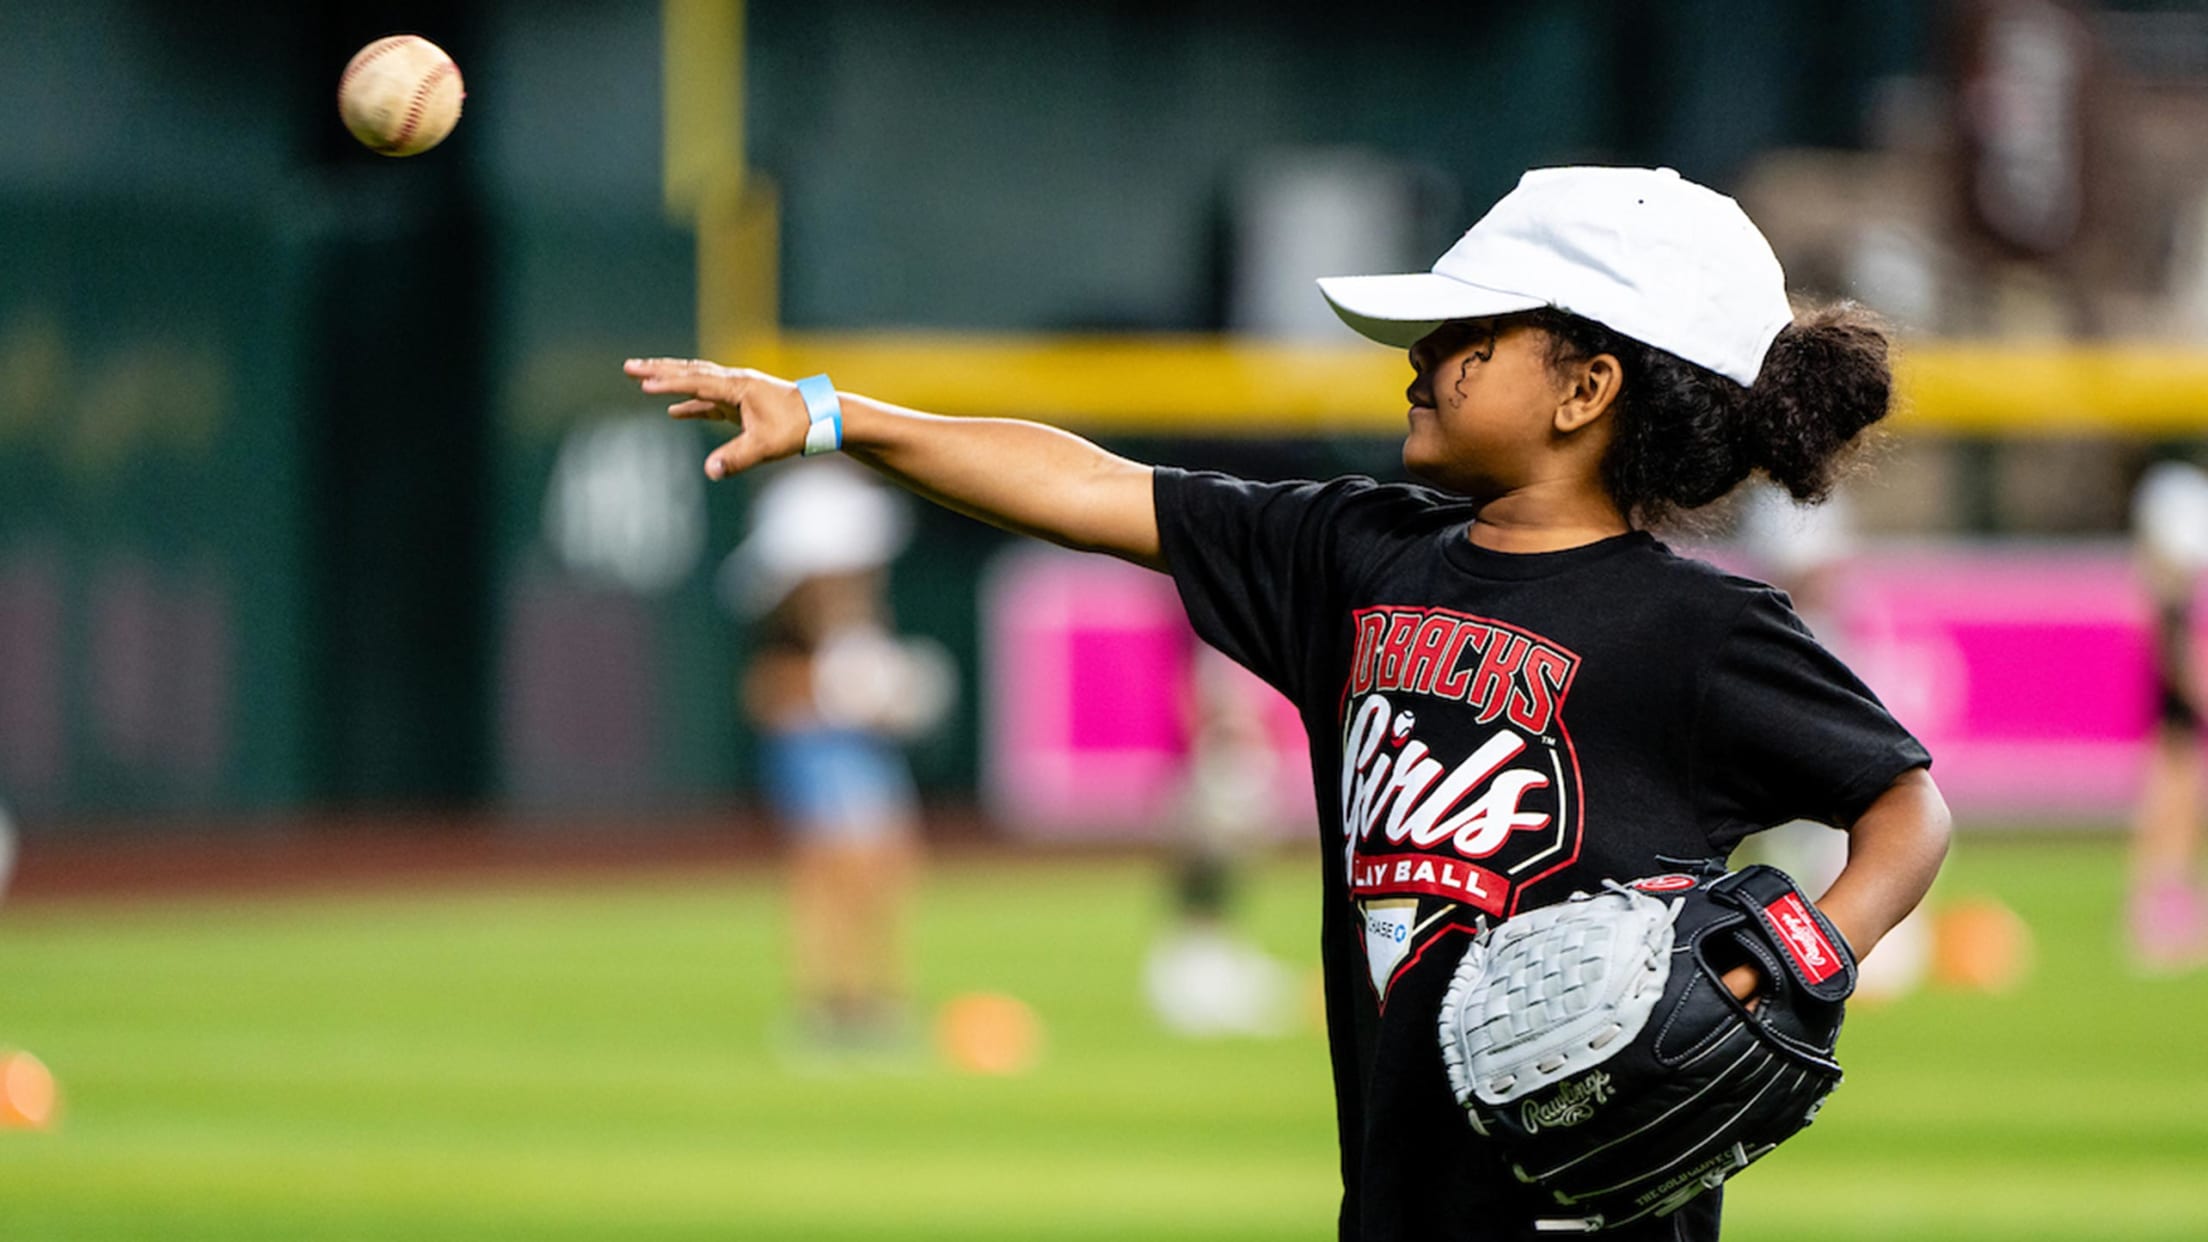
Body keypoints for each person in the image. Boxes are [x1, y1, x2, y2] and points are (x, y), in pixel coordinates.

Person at [628, 165, 1953, 1240]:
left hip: (1591, 1202)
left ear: (1586, 387)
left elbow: (1904, 802)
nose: (1421, 356)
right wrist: (829, 412)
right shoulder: (1356, 552)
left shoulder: (1704, 628)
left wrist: (1794, 960)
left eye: (1469, 335)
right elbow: (1087, 485)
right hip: (1391, 1200)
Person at [724, 461, 954, 1057]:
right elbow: (767, 692)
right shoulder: (784, 612)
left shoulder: (854, 604)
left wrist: (887, 694)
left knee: (889, 867)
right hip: (817, 748)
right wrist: (837, 693)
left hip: (862, 746)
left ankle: (878, 1003)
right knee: (831, 873)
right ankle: (829, 1006)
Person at [2127, 458, 2208, 971]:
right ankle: (2156, 920)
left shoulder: (2171, 594)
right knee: (2171, 815)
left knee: (2177, 815)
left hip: (2177, 722)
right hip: (2177, 722)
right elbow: (2179, 666)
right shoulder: (2172, 601)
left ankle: (2168, 913)